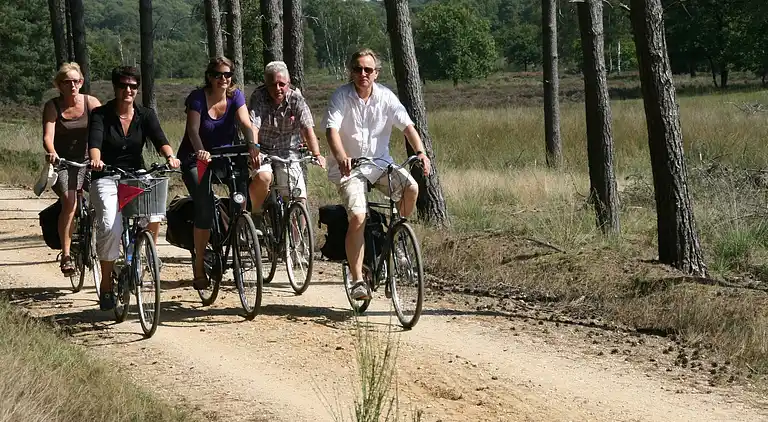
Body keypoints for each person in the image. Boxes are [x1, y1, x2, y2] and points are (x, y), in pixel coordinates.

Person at [324, 48, 432, 301]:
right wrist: (341, 158)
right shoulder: (341, 97)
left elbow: (408, 127)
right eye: (358, 69)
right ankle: (358, 279)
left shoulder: (386, 96)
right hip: (350, 167)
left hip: (381, 164)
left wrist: (421, 153)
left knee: (411, 188)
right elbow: (332, 131)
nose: (362, 74)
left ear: (376, 73)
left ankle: (395, 237)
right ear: (350, 71)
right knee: (358, 217)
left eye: (368, 70)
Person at [89, 66, 180, 311]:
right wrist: (96, 159)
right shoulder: (100, 114)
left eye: (133, 86)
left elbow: (160, 139)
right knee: (110, 225)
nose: (128, 90)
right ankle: (106, 283)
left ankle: (146, 251)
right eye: (123, 86)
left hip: (135, 175)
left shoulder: (145, 115)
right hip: (106, 175)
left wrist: (170, 156)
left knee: (154, 211)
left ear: (137, 89)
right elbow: (95, 142)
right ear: (115, 88)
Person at [177, 57, 256, 289]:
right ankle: (199, 265)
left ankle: (237, 232)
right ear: (210, 76)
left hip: (225, 155)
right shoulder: (197, 98)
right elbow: (192, 129)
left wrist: (252, 144)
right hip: (197, 158)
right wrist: (200, 151)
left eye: (228, 74)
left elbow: (245, 122)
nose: (224, 79)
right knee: (204, 205)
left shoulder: (236, 96)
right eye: (219, 74)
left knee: (241, 197)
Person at [41, 62, 102, 276]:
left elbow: (102, 128)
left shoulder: (91, 103)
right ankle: (66, 255)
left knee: (104, 196)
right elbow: (48, 137)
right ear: (59, 85)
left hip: (89, 160)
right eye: (68, 82)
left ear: (82, 82)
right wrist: (52, 152)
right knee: (70, 202)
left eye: (77, 81)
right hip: (65, 163)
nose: (73, 85)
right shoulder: (53, 107)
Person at [247, 61, 326, 220]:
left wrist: (316, 154)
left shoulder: (296, 99)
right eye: (273, 84)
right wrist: (254, 148)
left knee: (299, 197)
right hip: (263, 149)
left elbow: (307, 128)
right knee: (264, 177)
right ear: (266, 84)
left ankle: (298, 242)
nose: (278, 88)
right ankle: (256, 214)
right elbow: (253, 126)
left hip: (288, 151)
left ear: (288, 84)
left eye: (281, 84)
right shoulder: (259, 97)